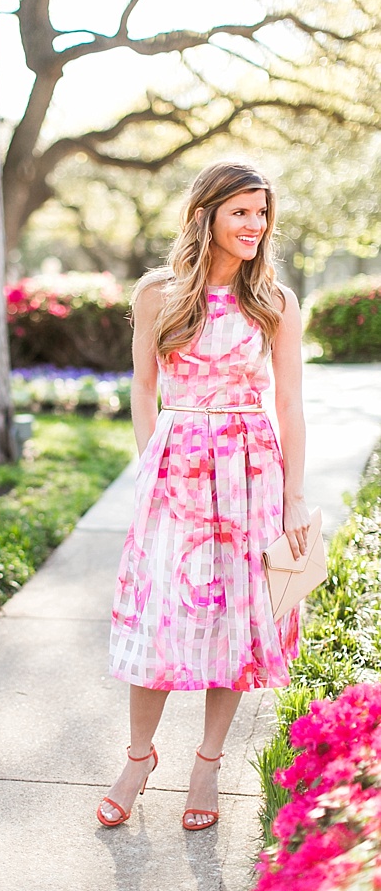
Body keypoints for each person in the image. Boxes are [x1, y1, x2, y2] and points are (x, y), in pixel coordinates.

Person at [97, 160, 311, 830]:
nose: (255, 225)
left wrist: (294, 498)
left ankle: (208, 764)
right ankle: (138, 757)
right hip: (177, 469)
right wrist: (149, 457)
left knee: (235, 622)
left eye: (261, 212)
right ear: (207, 215)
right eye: (240, 211)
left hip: (251, 473)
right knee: (160, 613)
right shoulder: (157, 294)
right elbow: (141, 384)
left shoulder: (274, 300)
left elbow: (290, 403)